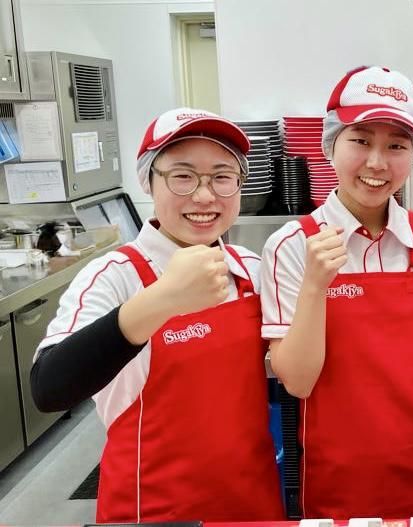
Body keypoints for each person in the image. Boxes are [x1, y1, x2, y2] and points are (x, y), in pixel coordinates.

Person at [31, 108, 285, 523]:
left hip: (251, 503)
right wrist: (161, 300)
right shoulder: (115, 276)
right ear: (148, 180)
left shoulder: (251, 270)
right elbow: (49, 387)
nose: (205, 196)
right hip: (151, 511)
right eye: (183, 176)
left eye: (222, 177)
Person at [260, 66, 413, 519]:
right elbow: (297, 382)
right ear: (330, 145)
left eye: (396, 146)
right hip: (343, 475)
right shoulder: (291, 246)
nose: (377, 163)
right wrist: (316, 286)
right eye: (360, 141)